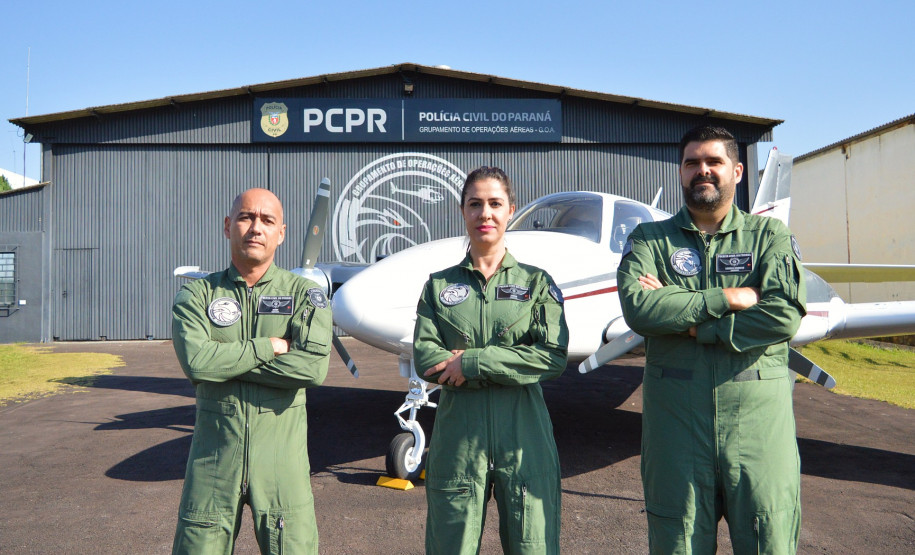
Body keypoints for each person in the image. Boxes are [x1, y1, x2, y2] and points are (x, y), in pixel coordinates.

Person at [617, 126, 807, 553]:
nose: (702, 171)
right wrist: (730, 296)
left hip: (758, 430)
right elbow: (641, 309)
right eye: (691, 163)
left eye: (713, 162)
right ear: (681, 172)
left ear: (737, 171)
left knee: (768, 540)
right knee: (676, 542)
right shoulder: (649, 239)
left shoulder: (769, 236)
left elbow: (783, 315)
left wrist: (694, 322)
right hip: (676, 432)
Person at [413, 166, 569, 554]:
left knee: (534, 545)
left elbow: (551, 356)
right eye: (475, 204)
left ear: (510, 210)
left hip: (525, 438)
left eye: (495, 204)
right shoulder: (438, 285)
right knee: (451, 545)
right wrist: (512, 362)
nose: (486, 213)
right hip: (458, 441)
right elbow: (426, 357)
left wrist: (472, 363)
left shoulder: (537, 283)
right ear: (463, 211)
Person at [171, 188, 332, 554]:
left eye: (267, 220)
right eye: (246, 217)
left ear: (281, 233)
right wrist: (269, 346)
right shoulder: (197, 296)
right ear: (228, 226)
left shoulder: (306, 295)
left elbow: (312, 369)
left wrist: (224, 362)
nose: (255, 228)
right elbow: (196, 362)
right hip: (213, 464)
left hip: (282, 469)